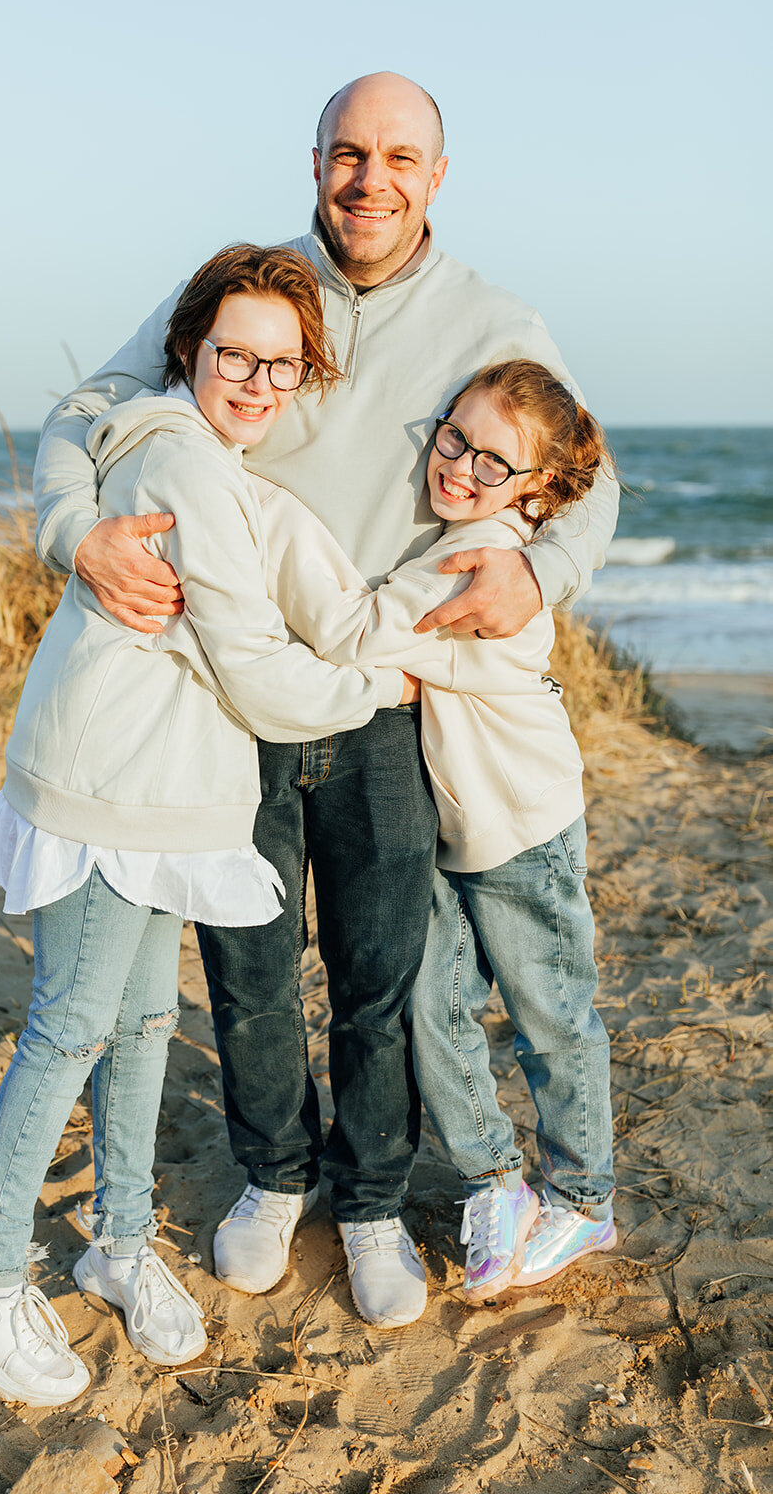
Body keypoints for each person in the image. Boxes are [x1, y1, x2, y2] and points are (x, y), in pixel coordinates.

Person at [31, 72, 619, 1327]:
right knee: (244, 967)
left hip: (382, 696)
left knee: (379, 973)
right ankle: (271, 1174)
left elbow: (587, 470)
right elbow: (90, 409)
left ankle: (365, 1204)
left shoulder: (489, 316)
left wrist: (539, 564)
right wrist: (74, 530)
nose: (371, 179)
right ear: (313, 163)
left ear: (435, 176)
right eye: (348, 153)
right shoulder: (258, 296)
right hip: (228, 703)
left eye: (399, 157)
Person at [0, 244, 411, 1408]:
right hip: (111, 789)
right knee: (72, 1024)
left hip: (168, 790)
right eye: (232, 354)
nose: (252, 380)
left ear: (301, 378)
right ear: (186, 347)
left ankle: (120, 1242)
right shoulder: (178, 460)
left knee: (143, 1021)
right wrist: (374, 691)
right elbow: (246, 659)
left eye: (278, 366)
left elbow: (277, 577)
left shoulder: (218, 468)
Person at [251, 359, 617, 1301]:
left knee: (549, 1018)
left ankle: (581, 1196)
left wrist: (266, 509)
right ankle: (495, 1182)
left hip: (525, 827)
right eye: (452, 437)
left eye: (494, 460)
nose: (458, 466)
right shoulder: (469, 530)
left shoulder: (476, 555)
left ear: (536, 492)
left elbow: (353, 630)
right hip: (460, 831)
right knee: (429, 1009)